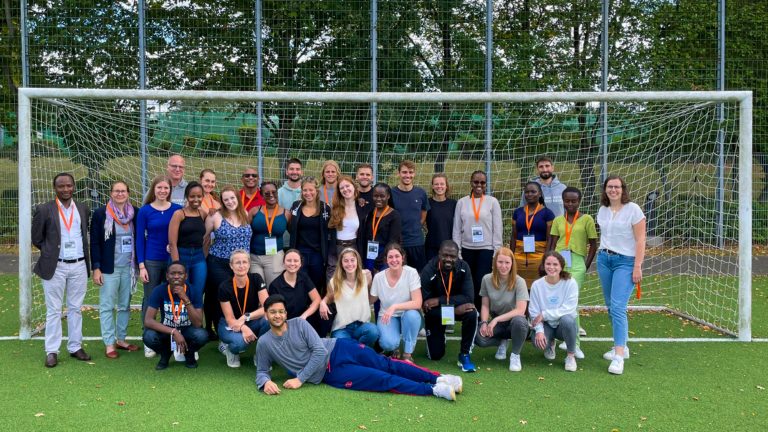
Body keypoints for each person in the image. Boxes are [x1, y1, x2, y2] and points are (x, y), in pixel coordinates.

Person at [255, 294, 462, 401]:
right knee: (381, 379)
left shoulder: (299, 324)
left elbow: (319, 351)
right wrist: (265, 383)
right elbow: (262, 371)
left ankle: (437, 377)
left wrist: (300, 378)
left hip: (339, 348)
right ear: (266, 315)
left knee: (386, 364)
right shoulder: (264, 342)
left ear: (285, 312)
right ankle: (434, 390)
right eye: (273, 312)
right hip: (332, 373)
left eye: (281, 312)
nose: (278, 316)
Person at [33, 173, 92, 368]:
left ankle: (75, 346)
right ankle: (52, 351)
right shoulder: (44, 209)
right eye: (61, 186)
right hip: (55, 266)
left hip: (79, 265)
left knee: (75, 308)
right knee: (54, 309)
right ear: (54, 188)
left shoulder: (83, 208)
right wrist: (51, 253)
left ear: (74, 187)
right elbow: (37, 239)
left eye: (68, 186)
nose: (65, 189)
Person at [596, 175, 646, 375]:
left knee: (618, 307)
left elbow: (641, 240)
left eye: (617, 187)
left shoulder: (633, 209)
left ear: (623, 189)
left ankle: (618, 357)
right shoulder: (603, 210)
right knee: (610, 306)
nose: (613, 190)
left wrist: (637, 266)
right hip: (604, 260)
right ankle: (622, 347)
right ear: (605, 190)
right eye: (610, 187)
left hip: (625, 262)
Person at [90, 181, 138, 359]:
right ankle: (109, 343)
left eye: (123, 191)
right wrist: (96, 268)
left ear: (128, 193)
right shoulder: (101, 214)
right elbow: (94, 242)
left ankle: (121, 339)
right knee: (107, 306)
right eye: (116, 191)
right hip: (109, 268)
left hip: (128, 268)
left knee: (125, 305)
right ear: (110, 193)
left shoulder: (135, 213)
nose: (120, 194)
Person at [547, 186, 597, 359]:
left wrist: (585, 265)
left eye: (573, 201)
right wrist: (548, 263)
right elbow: (552, 244)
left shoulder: (587, 219)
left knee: (571, 303)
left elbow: (593, 245)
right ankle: (553, 340)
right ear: (563, 201)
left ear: (579, 201)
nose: (570, 204)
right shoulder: (558, 220)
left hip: (577, 263)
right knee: (556, 300)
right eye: (567, 201)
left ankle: (575, 344)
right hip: (558, 263)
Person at [136, 175, 182, 358]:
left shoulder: (177, 210)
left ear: (170, 191)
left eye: (166, 188)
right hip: (151, 261)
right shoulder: (145, 211)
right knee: (150, 299)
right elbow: (139, 239)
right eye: (159, 188)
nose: (163, 191)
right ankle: (149, 338)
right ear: (153, 190)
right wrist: (141, 266)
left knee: (170, 299)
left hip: (172, 261)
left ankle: (168, 335)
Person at [420, 240, 478, 373]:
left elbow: (469, 298)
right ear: (438, 254)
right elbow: (426, 305)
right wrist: (453, 309)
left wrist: (441, 301)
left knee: (471, 311)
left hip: (454, 308)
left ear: (458, 256)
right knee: (435, 356)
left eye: (452, 256)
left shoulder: (464, 267)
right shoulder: (429, 270)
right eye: (445, 255)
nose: (448, 259)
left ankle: (464, 354)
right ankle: (441, 336)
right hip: (436, 314)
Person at [204, 186, 252, 341]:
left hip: (241, 265)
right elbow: (204, 240)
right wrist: (203, 260)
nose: (230, 202)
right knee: (220, 296)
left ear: (237, 197)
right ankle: (218, 329)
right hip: (219, 263)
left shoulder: (245, 214)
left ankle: (237, 326)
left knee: (239, 296)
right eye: (226, 199)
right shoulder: (215, 217)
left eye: (232, 198)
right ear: (222, 202)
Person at [143, 261, 209, 370]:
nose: (176, 276)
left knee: (202, 335)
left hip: (188, 330)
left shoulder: (194, 291)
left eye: (180, 273)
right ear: (167, 276)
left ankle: (189, 353)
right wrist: (173, 332)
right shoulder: (159, 290)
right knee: (148, 336)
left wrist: (185, 298)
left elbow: (198, 323)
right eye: (173, 273)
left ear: (186, 276)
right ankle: (165, 354)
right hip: (168, 330)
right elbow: (148, 321)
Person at [452, 170, 503, 311]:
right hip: (467, 249)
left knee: (481, 281)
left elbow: (497, 228)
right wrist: (458, 251)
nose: (479, 185)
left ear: (486, 184)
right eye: (476, 182)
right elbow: (456, 228)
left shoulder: (493, 202)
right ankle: (469, 310)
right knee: (468, 282)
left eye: (482, 182)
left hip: (486, 249)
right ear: (471, 183)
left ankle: (481, 312)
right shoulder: (462, 202)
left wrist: (496, 251)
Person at [475, 247, 529, 372]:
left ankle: (515, 355)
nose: (503, 266)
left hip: (513, 322)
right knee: (478, 337)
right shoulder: (486, 279)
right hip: (497, 322)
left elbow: (520, 310)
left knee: (520, 321)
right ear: (495, 263)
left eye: (507, 263)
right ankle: (501, 342)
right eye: (500, 262)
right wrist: (484, 322)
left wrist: (495, 320)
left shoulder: (519, 281)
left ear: (512, 264)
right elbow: (485, 305)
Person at [369, 243, 422, 363]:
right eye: (390, 257)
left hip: (407, 314)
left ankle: (407, 354)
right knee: (388, 344)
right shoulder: (379, 277)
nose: (394, 260)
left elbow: (418, 303)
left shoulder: (411, 273)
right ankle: (395, 348)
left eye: (397, 256)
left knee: (412, 315)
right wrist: (364, 282)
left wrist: (395, 306)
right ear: (386, 260)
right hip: (387, 316)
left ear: (402, 257)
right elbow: (371, 300)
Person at [528, 251, 579, 372]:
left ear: (561, 266)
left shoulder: (570, 283)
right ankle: (550, 343)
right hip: (547, 325)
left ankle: (570, 356)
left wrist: (545, 314)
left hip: (563, 325)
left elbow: (569, 309)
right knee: (537, 342)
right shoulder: (537, 285)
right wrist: (539, 331)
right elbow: (534, 312)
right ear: (543, 265)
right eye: (548, 264)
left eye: (555, 264)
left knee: (568, 320)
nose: (551, 267)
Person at [218, 250, 268, 368]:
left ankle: (261, 354)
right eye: (237, 263)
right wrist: (243, 326)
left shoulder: (256, 278)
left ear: (249, 264)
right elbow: (230, 319)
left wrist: (246, 317)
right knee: (239, 344)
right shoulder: (224, 286)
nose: (241, 266)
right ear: (231, 266)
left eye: (244, 262)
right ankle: (228, 348)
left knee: (270, 320)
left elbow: (267, 307)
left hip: (252, 320)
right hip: (229, 324)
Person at [319, 248, 378, 347]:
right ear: (341, 263)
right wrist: (322, 302)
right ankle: (359, 349)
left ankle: (354, 348)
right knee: (342, 342)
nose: (349, 264)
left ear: (357, 261)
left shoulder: (366, 276)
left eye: (352, 260)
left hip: (362, 325)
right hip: (342, 328)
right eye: (345, 261)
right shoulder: (335, 281)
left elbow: (371, 297)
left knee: (373, 331)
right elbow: (329, 297)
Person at [288, 177, 333, 297]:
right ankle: (301, 313)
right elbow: (291, 227)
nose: (308, 193)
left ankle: (316, 312)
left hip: (317, 255)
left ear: (317, 191)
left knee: (316, 286)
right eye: (305, 190)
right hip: (299, 253)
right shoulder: (296, 206)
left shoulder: (324, 208)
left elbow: (329, 230)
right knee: (300, 285)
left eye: (311, 190)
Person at [168, 181, 209, 306]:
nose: (196, 199)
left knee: (197, 292)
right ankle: (178, 322)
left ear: (203, 197)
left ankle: (196, 324)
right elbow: (172, 243)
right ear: (187, 197)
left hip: (198, 258)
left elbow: (206, 238)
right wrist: (177, 265)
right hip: (181, 256)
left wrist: (204, 256)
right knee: (180, 292)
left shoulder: (202, 214)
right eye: (192, 196)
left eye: (199, 196)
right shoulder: (179, 214)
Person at [510, 181, 555, 289]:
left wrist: (546, 260)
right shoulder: (518, 212)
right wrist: (511, 257)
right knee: (520, 289)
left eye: (533, 192)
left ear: (539, 193)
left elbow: (550, 239)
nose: (529, 194)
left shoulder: (547, 213)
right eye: (527, 192)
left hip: (539, 257)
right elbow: (513, 237)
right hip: (519, 257)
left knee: (539, 289)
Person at [268, 249, 323, 333]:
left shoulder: (304, 277)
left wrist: (304, 316)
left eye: (296, 261)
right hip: (286, 323)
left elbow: (317, 299)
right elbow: (276, 313)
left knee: (325, 310)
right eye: (289, 260)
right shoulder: (275, 285)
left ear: (300, 264)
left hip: (304, 319)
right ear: (283, 263)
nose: (292, 263)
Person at [391, 160, 429, 272]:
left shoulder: (421, 193)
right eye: (404, 172)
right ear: (398, 173)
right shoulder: (391, 193)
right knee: (399, 276)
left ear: (414, 173)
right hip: (398, 244)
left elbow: (424, 212)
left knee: (418, 276)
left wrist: (417, 226)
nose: (408, 175)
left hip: (417, 242)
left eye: (410, 172)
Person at [249, 181, 289, 288]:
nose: (271, 195)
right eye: (267, 193)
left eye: (274, 192)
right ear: (261, 195)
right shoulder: (254, 211)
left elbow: (294, 234)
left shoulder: (286, 213)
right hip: (254, 258)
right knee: (257, 289)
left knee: (274, 289)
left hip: (275, 257)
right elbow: (244, 232)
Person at [360, 182, 401, 273]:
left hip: (385, 255)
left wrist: (379, 261)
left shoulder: (394, 215)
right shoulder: (370, 213)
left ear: (388, 196)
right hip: (369, 253)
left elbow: (392, 241)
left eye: (382, 196)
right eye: (375, 196)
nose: (378, 199)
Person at [328, 175, 367, 267]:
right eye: (342, 188)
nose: (345, 189)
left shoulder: (361, 206)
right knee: (333, 279)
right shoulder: (334, 208)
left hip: (353, 247)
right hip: (336, 248)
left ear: (354, 186)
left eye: (347, 186)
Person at [425, 173, 456, 262]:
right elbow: (422, 220)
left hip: (449, 247)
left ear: (446, 186)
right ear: (432, 186)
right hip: (431, 247)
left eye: (442, 184)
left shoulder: (453, 204)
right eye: (436, 184)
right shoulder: (427, 203)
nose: (439, 186)